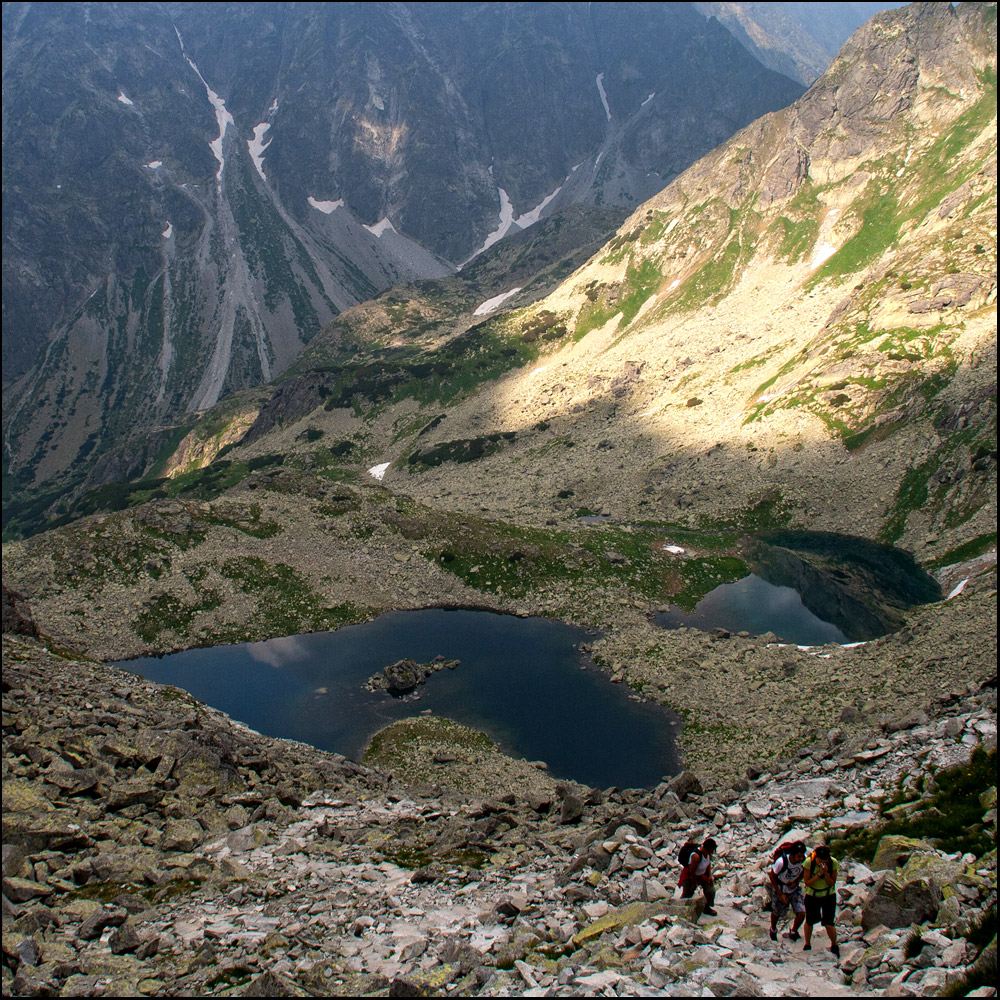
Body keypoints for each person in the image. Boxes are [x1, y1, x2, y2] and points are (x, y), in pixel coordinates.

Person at [802, 844, 840, 958]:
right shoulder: (809, 862)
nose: (822, 862)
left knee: (829, 922)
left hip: (828, 895)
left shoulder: (833, 863)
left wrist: (826, 873)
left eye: (825, 860)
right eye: (820, 860)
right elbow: (807, 882)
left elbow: (832, 882)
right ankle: (807, 943)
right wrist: (819, 874)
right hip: (812, 895)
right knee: (810, 920)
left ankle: (834, 944)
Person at [768, 840, 807, 941]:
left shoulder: (803, 861)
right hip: (781, 889)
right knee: (777, 912)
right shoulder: (781, 862)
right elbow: (772, 875)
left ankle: (793, 931)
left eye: (802, 856)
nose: (801, 858)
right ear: (793, 854)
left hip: (794, 889)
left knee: (802, 912)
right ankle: (773, 929)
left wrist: (797, 881)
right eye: (799, 856)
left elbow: (804, 871)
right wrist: (780, 894)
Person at [679, 837, 718, 916]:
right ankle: (681, 909)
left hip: (702, 874)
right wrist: (694, 884)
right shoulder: (696, 856)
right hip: (690, 876)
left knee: (710, 891)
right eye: (711, 850)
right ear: (708, 849)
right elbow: (692, 872)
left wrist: (710, 875)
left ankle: (706, 907)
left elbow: (708, 863)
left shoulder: (707, 854)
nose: (712, 852)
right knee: (687, 894)